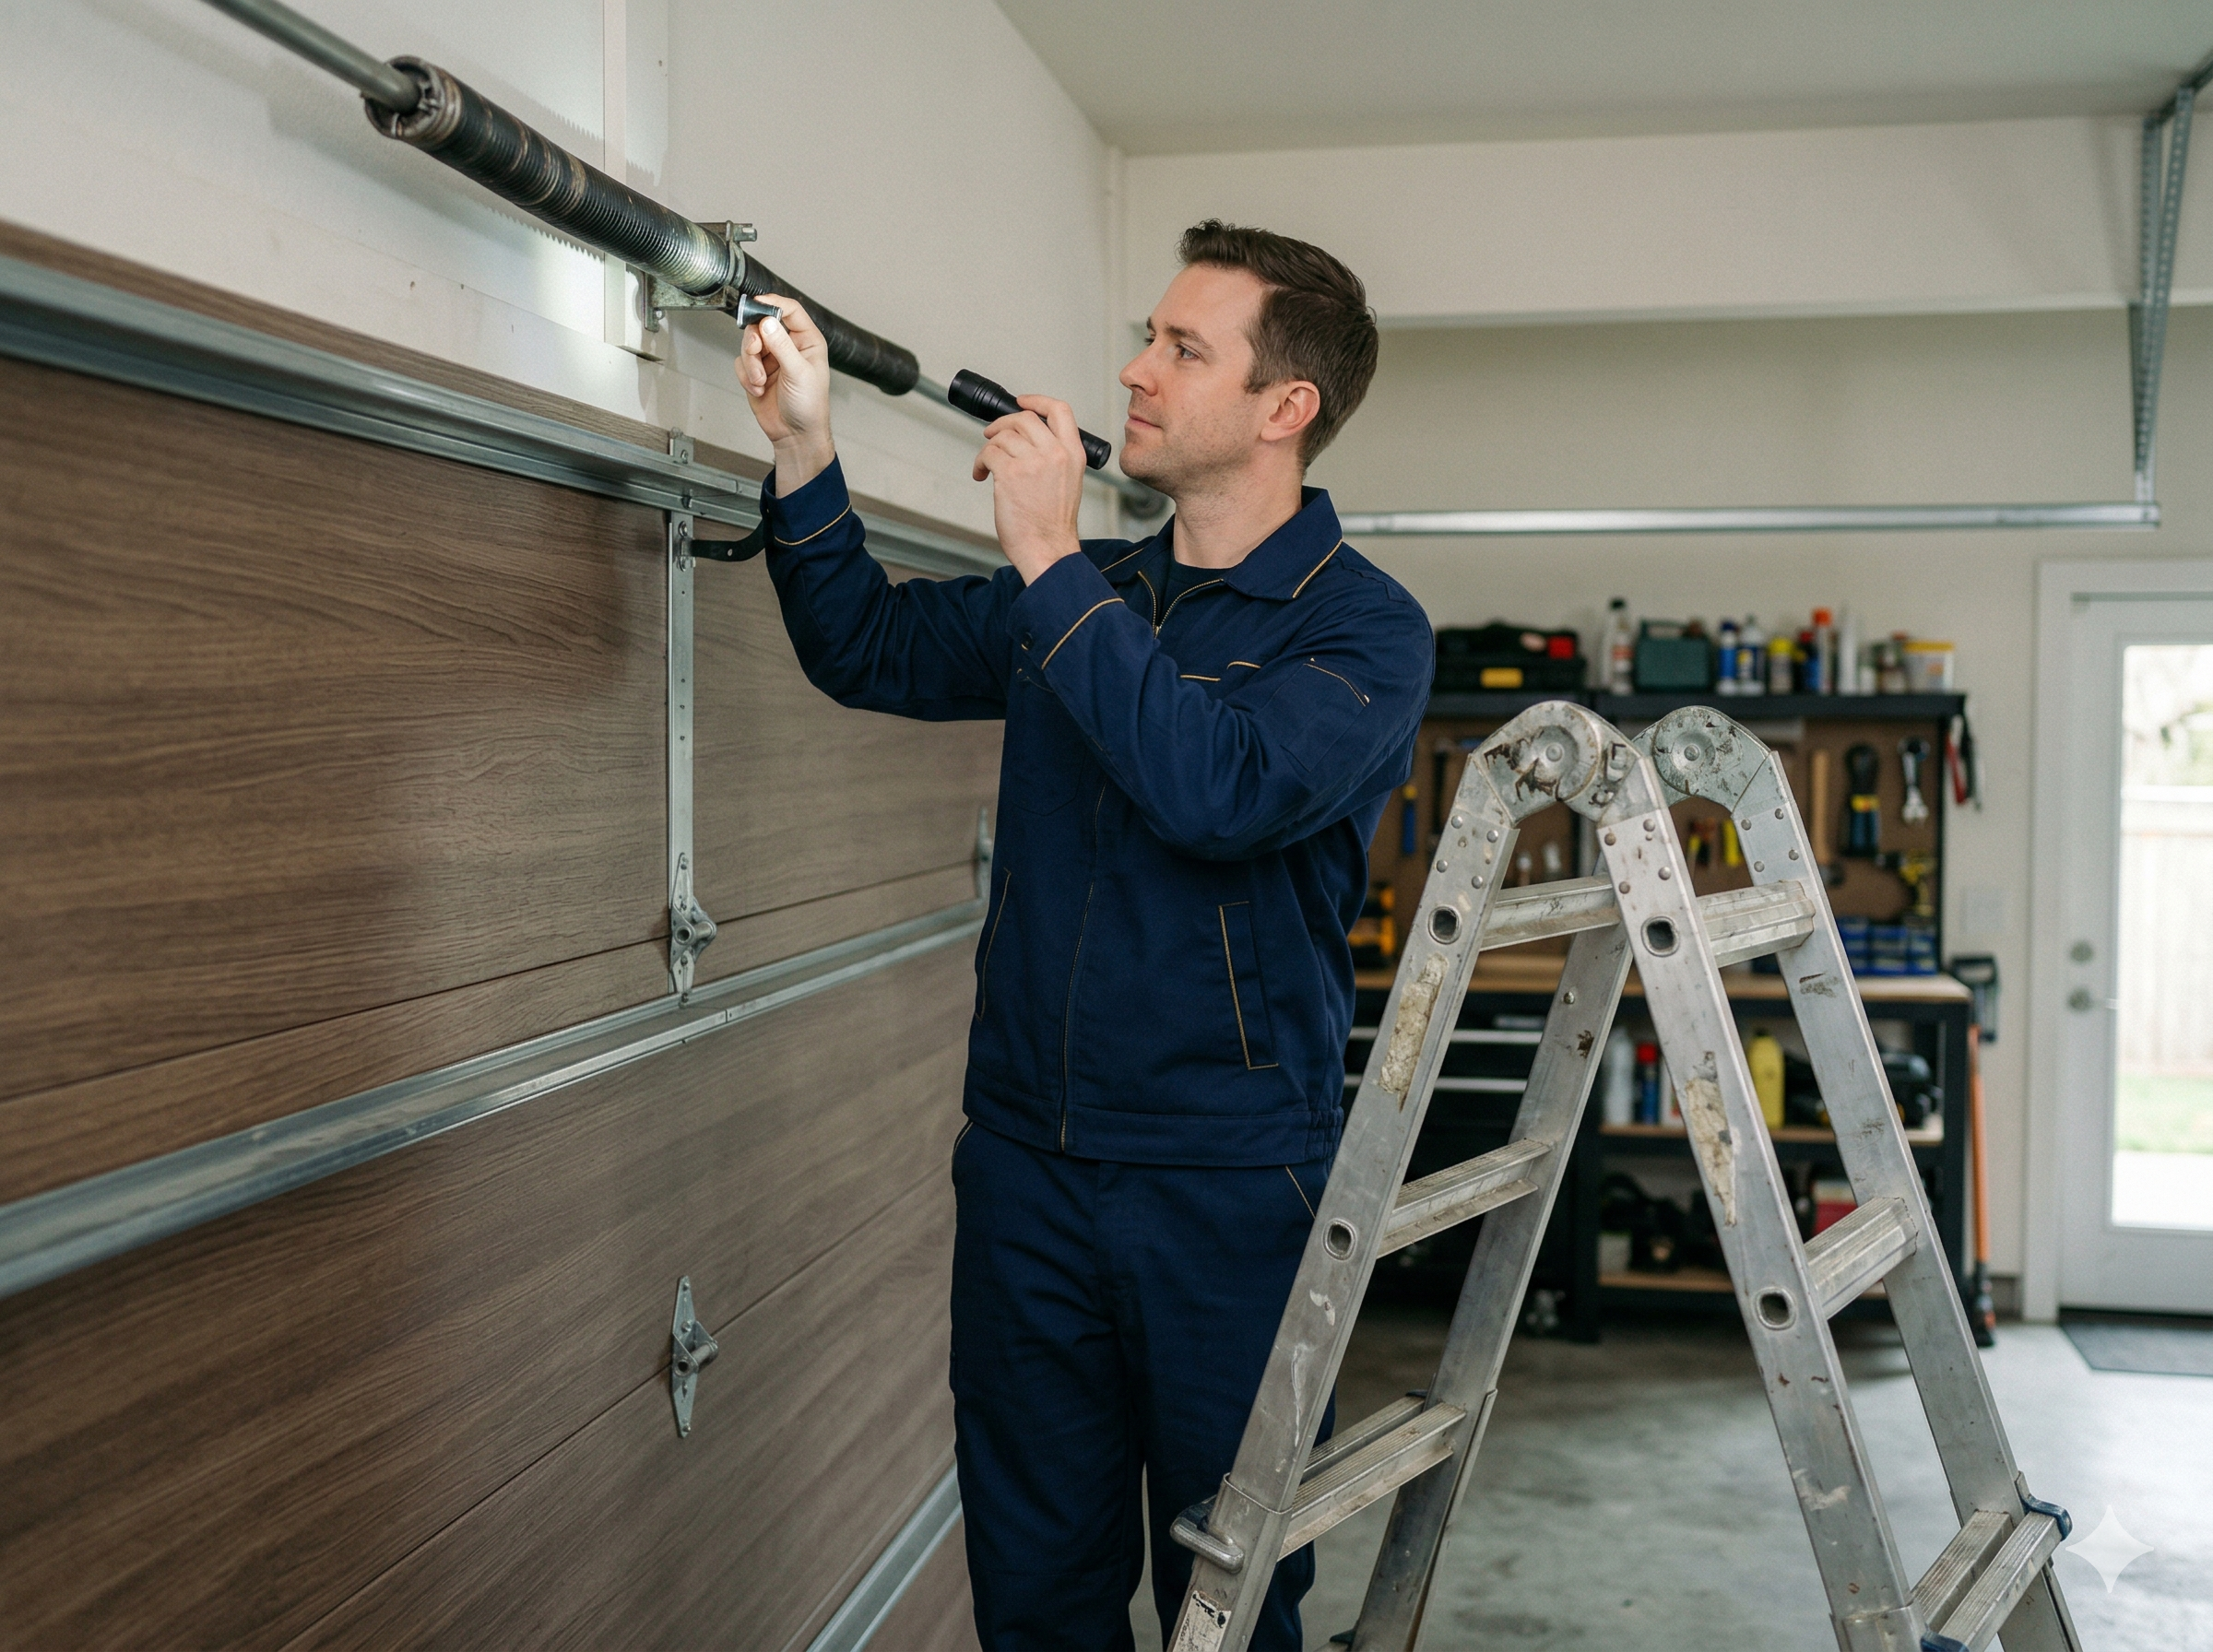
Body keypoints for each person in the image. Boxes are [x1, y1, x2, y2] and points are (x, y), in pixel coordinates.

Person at [737, 220, 1431, 1651]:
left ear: (1283, 406)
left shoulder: (1361, 633)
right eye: (1148, 337)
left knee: (1228, 1601)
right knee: (1038, 1598)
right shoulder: (1102, 597)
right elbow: (863, 645)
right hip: (1027, 1172)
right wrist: (805, 449)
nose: (1136, 370)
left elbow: (1218, 789)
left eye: (1184, 349)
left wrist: (1051, 557)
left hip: (1229, 1188)